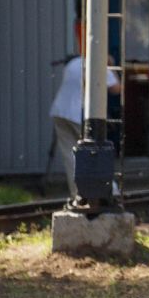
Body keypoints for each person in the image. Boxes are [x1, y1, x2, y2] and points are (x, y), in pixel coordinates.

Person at [49, 53, 120, 201]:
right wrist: (111, 67)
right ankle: (110, 191)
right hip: (79, 113)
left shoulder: (73, 63)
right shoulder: (97, 65)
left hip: (60, 111)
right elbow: (116, 89)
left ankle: (78, 194)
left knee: (70, 156)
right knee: (95, 151)